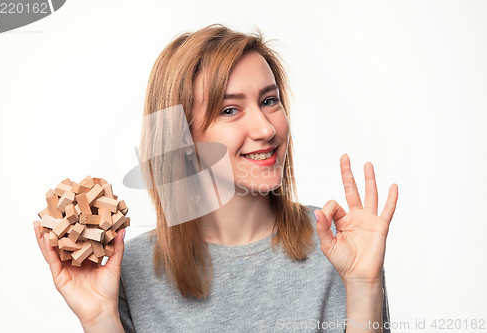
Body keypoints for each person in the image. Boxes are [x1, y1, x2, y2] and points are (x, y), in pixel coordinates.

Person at [34, 24, 398, 333]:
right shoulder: (129, 270)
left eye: (269, 101)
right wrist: (100, 319)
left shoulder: (338, 247)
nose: (266, 128)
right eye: (229, 109)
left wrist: (364, 286)